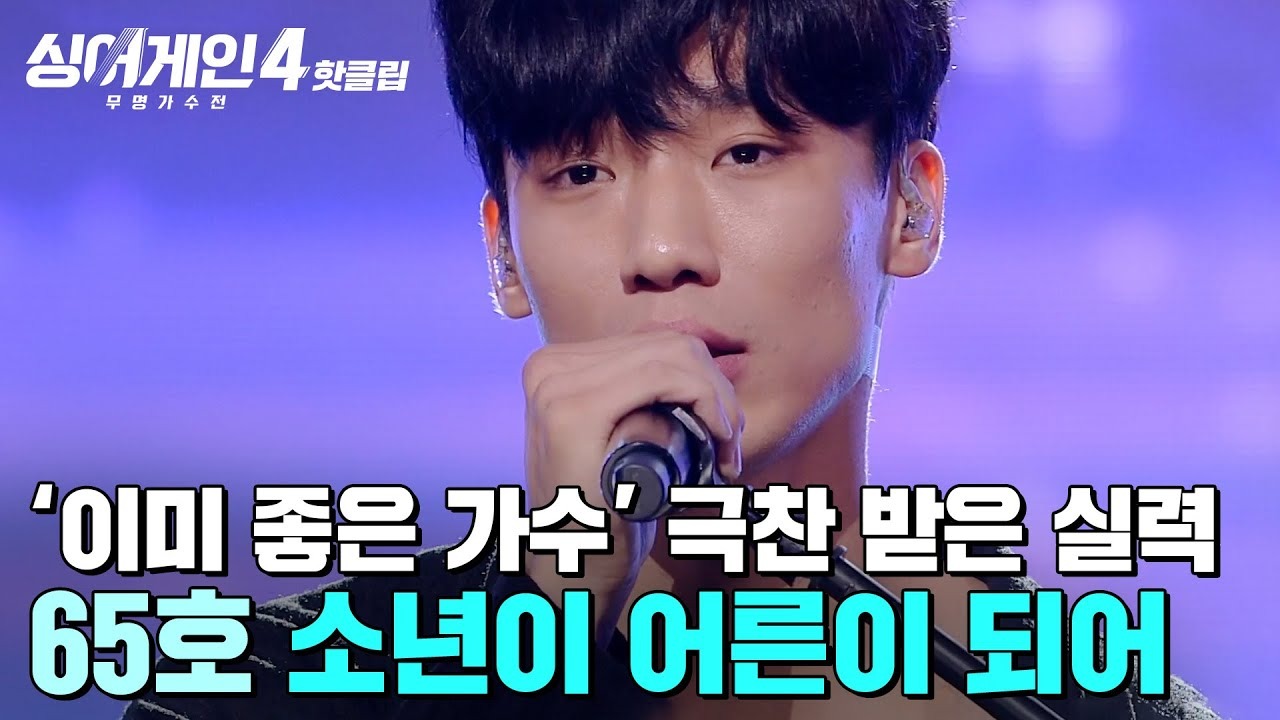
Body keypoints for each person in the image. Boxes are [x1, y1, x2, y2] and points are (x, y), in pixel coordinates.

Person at [122, 1, 1223, 719]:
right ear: (502, 251)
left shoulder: (1090, 706)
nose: (660, 252)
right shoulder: (252, 688)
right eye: (581, 175)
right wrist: (535, 639)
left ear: (910, 207)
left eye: (744, 153)